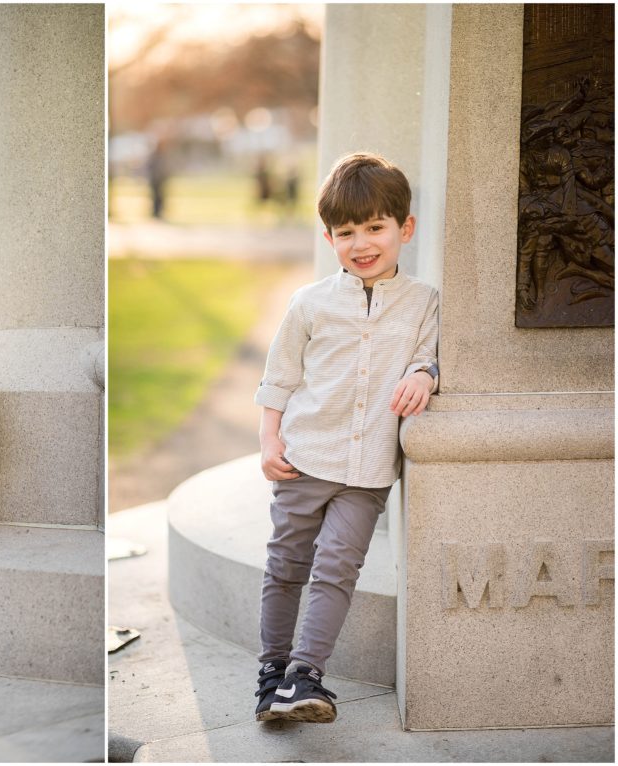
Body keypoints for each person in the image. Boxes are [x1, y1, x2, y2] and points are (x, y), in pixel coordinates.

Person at [253, 153, 439, 723]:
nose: (362, 243)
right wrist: (269, 442)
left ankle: (306, 676)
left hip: (367, 472)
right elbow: (279, 377)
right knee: (286, 565)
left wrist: (423, 375)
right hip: (305, 460)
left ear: (404, 229)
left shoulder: (423, 301)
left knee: (337, 569)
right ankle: (271, 675)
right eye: (346, 232)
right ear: (329, 236)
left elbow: (429, 357)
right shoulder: (309, 302)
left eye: (376, 227)